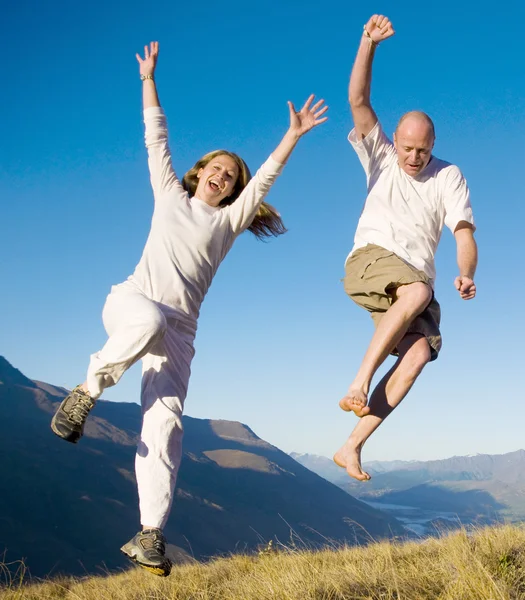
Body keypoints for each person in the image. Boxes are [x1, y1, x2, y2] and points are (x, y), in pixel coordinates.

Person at [51, 41, 328, 576]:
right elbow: (156, 139)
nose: (222, 176)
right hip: (132, 305)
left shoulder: (226, 225)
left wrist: (291, 136)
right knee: (147, 319)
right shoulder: (169, 198)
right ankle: (85, 393)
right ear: (199, 172)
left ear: (231, 192)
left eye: (230, 176)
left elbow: (265, 177)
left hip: (179, 333)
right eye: (216, 168)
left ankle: (149, 534)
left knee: (166, 424)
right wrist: (147, 79)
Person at [333, 15, 477, 482]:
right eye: (407, 148)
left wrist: (466, 271)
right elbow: (358, 99)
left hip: (412, 282)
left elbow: (462, 230)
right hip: (370, 262)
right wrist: (368, 44)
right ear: (394, 141)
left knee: (418, 354)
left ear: (433, 145)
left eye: (422, 150)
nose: (413, 158)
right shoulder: (380, 157)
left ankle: (352, 447)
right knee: (414, 292)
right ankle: (359, 381)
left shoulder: (448, 174)